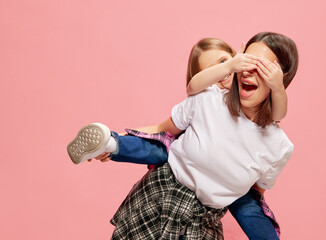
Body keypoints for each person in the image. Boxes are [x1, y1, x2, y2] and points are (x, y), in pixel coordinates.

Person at [68, 32, 298, 239]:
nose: (249, 69)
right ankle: (109, 142)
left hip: (202, 218)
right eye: (247, 60)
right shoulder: (208, 99)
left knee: (249, 204)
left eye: (264, 66)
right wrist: (113, 141)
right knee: (160, 148)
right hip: (162, 193)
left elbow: (258, 191)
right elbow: (162, 129)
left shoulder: (278, 145)